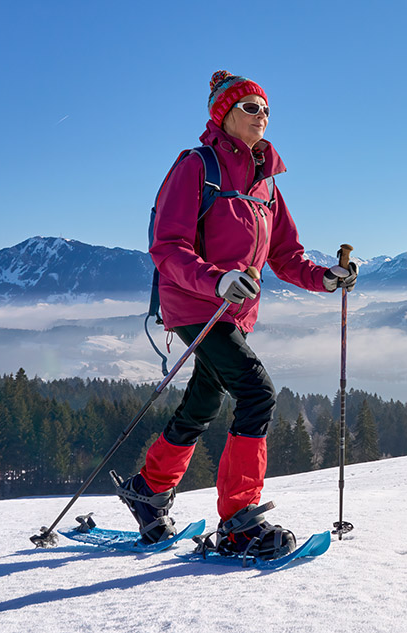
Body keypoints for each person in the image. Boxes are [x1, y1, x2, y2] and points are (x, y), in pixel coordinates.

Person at [116, 71, 356, 559]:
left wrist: (325, 278)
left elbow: (287, 256)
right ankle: (238, 524)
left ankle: (149, 486)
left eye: (265, 109)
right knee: (257, 392)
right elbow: (167, 247)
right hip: (194, 303)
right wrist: (215, 279)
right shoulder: (196, 166)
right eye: (249, 108)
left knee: (205, 399)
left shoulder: (267, 184)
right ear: (221, 114)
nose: (261, 116)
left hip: (233, 310)